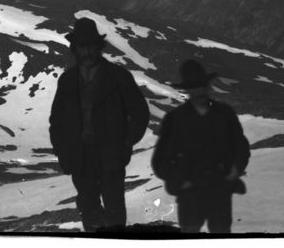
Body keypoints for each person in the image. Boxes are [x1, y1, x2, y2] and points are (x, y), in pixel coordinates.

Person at [49, 17, 150, 232]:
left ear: (99, 47)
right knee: (89, 208)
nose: (86, 53)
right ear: (74, 50)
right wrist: (62, 152)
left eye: (90, 47)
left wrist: (126, 143)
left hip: (111, 154)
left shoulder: (119, 77)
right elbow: (56, 120)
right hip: (81, 156)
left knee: (114, 209)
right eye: (81, 48)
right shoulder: (67, 80)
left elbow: (140, 112)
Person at [152, 59, 251, 234]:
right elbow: (160, 161)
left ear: (208, 85)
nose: (199, 91)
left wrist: (236, 169)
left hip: (220, 191)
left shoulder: (225, 114)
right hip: (189, 195)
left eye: (202, 85)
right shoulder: (175, 119)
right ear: (187, 90)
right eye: (194, 87)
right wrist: (181, 182)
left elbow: (241, 146)